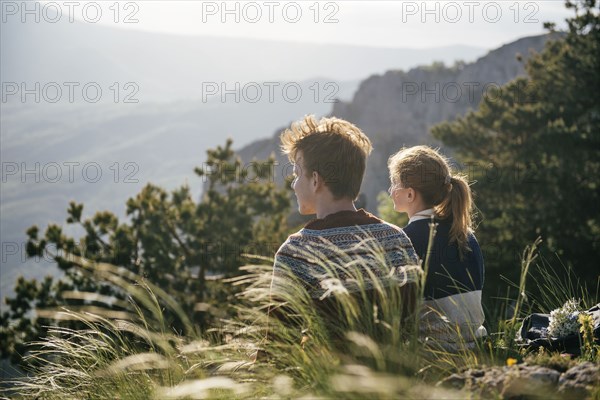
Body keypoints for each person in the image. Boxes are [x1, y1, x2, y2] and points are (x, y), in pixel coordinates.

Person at [269, 115, 420, 344]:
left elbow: (278, 344)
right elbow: (410, 326)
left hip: (329, 377)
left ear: (315, 180)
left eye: (298, 174)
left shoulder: (296, 252)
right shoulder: (398, 239)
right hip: (397, 375)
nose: (293, 183)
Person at [387, 145, 486, 351]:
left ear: (410, 194)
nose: (391, 190)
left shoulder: (405, 239)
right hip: (476, 344)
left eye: (394, 183)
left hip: (434, 350)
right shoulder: (466, 234)